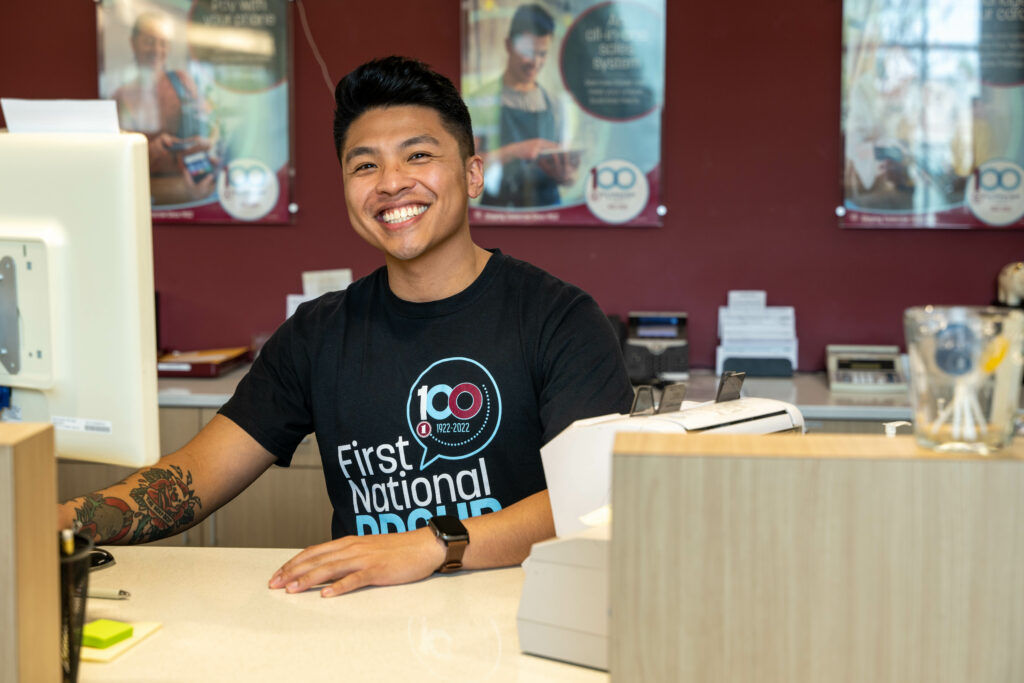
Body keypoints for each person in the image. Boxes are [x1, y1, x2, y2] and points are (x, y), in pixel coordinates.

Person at [60, 56, 633, 597]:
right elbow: (191, 478)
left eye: (417, 156)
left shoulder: (559, 318)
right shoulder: (318, 333)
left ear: (473, 173)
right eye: (365, 165)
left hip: (520, 618)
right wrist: (53, 524)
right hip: (360, 627)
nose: (389, 183)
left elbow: (589, 498)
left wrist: (429, 546)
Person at [465, 4, 579, 208]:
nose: (535, 62)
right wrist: (517, 151)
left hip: (549, 210)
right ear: (509, 45)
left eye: (542, 54)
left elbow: (569, 175)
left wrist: (567, 176)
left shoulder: (557, 105)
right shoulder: (480, 100)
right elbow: (465, 169)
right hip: (499, 212)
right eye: (528, 52)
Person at [111, 11, 218, 205]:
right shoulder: (120, 97)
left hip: (192, 186)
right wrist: (151, 150)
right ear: (133, 43)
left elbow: (208, 129)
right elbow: (116, 160)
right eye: (149, 41)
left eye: (163, 43)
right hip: (146, 192)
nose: (157, 50)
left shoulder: (182, 82)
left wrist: (202, 140)